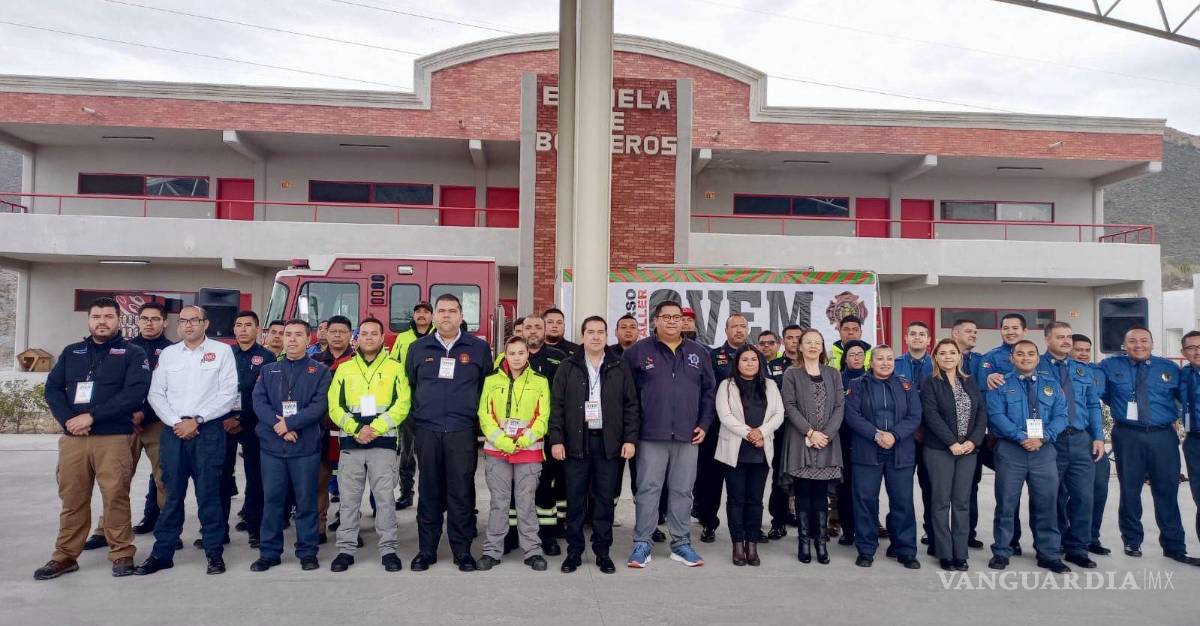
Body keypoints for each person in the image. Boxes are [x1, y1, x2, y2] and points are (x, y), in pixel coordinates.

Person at [35, 297, 151, 580]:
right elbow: (52, 390)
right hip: (74, 439)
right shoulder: (72, 351)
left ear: (118, 320)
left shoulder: (132, 353)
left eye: (108, 316)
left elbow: (134, 393)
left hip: (112, 438)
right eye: (96, 316)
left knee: (115, 496)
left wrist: (92, 417)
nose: (102, 321)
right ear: (89, 320)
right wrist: (69, 421)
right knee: (72, 498)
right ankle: (64, 556)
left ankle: (122, 552)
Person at [136, 305, 238, 576]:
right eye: (183, 321)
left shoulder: (222, 352)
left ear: (206, 323)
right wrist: (176, 422)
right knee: (171, 496)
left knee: (209, 495)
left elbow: (228, 393)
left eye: (194, 320)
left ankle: (214, 553)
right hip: (174, 432)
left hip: (209, 432)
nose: (188, 325)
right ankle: (163, 553)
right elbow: (156, 394)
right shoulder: (169, 355)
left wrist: (198, 419)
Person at [624, 300, 715, 569]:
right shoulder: (638, 352)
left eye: (677, 317)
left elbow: (709, 392)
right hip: (651, 434)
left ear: (685, 322)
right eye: (666, 317)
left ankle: (681, 544)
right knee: (648, 489)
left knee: (682, 491)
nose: (672, 321)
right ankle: (642, 543)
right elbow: (626, 395)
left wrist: (705, 423)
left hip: (688, 435)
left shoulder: (699, 353)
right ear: (655, 320)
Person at [406, 293, 493, 572]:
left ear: (461, 316)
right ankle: (427, 551)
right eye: (441, 311)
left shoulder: (478, 349)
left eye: (452, 311)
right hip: (427, 431)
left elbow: (485, 388)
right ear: (433, 316)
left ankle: (462, 552)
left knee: (461, 493)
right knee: (428, 491)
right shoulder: (418, 348)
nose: (446, 315)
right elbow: (411, 385)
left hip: (461, 431)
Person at [1100, 327, 1199, 565]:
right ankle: (1132, 540)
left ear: (1153, 344)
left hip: (1163, 436)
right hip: (1128, 435)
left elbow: (1185, 397)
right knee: (1130, 490)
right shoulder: (1110, 366)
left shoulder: (1169, 368)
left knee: (1167, 491)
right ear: (1125, 345)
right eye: (1132, 341)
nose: (1139, 345)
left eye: (1144, 340)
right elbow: (1102, 393)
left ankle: (1174, 546)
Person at [549, 316, 640, 574]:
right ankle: (574, 552)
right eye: (591, 332)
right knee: (575, 501)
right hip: (576, 442)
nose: (596, 337)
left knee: (604, 500)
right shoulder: (568, 366)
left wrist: (630, 439)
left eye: (601, 332)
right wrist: (556, 439)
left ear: (606, 335)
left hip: (608, 443)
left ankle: (603, 552)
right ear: (582, 336)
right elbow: (557, 407)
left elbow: (631, 406)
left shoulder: (619, 366)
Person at [84, 301, 172, 549]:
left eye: (155, 319)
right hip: (122, 424)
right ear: (137, 321)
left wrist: (144, 413)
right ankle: (105, 530)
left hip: (157, 423)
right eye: (144, 318)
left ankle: (168, 530)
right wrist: (126, 414)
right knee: (116, 480)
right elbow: (115, 388)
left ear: (164, 322)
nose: (149, 323)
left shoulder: (173, 351)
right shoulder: (123, 349)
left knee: (164, 479)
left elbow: (170, 391)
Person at [248, 319, 331, 572]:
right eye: (287, 334)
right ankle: (269, 552)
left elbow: (318, 406)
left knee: (306, 501)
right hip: (273, 446)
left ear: (309, 339)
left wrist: (292, 424)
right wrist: (279, 426)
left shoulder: (320, 371)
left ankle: (307, 551)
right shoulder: (268, 370)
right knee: (272, 500)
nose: (292, 339)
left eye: (298, 335)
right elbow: (259, 402)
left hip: (305, 447)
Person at [326, 317, 408, 573]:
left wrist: (376, 428)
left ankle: (388, 550)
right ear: (357, 338)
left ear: (383, 338)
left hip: (382, 445)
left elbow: (403, 403)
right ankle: (346, 550)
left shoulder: (395, 368)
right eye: (365, 333)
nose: (369, 337)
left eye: (374, 333)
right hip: (351, 444)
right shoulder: (344, 369)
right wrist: (356, 428)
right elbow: (334, 406)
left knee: (384, 500)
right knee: (349, 501)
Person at [985, 340, 1071, 573]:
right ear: (1012, 358)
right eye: (1020, 354)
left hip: (1043, 451)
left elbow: (1061, 416)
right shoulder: (1000, 385)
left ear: (1037, 357)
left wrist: (1043, 437)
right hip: (1011, 450)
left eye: (1031, 354)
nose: (1025, 358)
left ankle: (1048, 553)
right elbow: (996, 416)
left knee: (1046, 503)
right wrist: (1021, 436)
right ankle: (1002, 551)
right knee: (1006, 503)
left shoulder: (1052, 386)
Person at [843, 345, 922, 569]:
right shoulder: (858, 385)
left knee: (902, 501)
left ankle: (904, 549)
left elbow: (915, 415)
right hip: (867, 451)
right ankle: (866, 549)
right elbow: (852, 414)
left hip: (900, 451)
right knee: (866, 501)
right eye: (880, 359)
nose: (885, 363)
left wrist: (894, 435)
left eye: (889, 359)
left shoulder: (906, 385)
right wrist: (876, 434)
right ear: (872, 362)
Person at [477, 336, 551, 572]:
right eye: (512, 353)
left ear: (528, 354)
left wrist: (523, 439)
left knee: (526, 503)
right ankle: (492, 551)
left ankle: (532, 551)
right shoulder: (491, 380)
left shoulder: (540, 381)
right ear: (504, 355)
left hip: (528, 451)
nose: (517, 357)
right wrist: (502, 440)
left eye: (521, 352)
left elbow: (543, 417)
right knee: (499, 503)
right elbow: (484, 414)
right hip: (498, 450)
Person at [1037, 321, 1104, 569]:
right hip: (1050, 441)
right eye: (1060, 337)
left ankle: (1077, 548)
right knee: (1049, 497)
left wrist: (1098, 436)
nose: (1066, 341)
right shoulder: (1036, 364)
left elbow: (1093, 405)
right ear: (1047, 339)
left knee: (1083, 497)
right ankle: (1049, 549)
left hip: (1079, 439)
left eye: (1068, 337)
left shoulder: (1082, 370)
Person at [715, 344, 785, 567]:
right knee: (736, 499)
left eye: (754, 359)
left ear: (760, 362)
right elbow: (724, 415)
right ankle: (737, 544)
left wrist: (762, 433)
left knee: (755, 500)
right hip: (736, 450)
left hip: (761, 451)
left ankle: (752, 544)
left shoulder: (771, 385)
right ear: (737, 363)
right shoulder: (726, 385)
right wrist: (749, 433)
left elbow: (779, 414)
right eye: (745, 359)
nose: (750, 363)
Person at [920, 339, 986, 571]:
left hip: (969, 451)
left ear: (959, 356)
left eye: (952, 352)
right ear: (935, 357)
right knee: (940, 502)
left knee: (962, 503)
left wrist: (972, 441)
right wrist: (951, 442)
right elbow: (931, 415)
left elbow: (981, 414)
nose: (948, 356)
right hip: (940, 450)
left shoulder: (969, 381)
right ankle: (944, 552)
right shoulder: (930, 383)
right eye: (943, 353)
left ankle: (960, 552)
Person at [780, 328, 844, 565]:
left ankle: (821, 542)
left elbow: (839, 406)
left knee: (821, 494)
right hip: (800, 440)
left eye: (817, 342)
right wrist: (810, 432)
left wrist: (825, 434)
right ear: (800, 346)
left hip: (827, 441)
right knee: (803, 492)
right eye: (808, 342)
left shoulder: (833, 373)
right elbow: (790, 405)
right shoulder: (791, 373)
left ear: (822, 346)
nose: (813, 346)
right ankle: (804, 541)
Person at [219, 310, 275, 550]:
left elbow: (266, 394)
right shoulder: (223, 355)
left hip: (253, 424)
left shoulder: (267, 357)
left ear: (257, 329)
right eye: (239, 325)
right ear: (234, 329)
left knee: (256, 478)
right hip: (222, 421)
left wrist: (242, 419)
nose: (243, 329)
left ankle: (255, 528)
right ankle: (218, 530)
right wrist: (225, 417)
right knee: (220, 477)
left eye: (248, 325)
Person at [978, 312, 1030, 556]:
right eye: (1006, 328)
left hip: (1038, 440)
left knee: (1045, 496)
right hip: (1006, 438)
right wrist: (988, 378)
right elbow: (983, 390)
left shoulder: (1034, 358)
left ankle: (1048, 544)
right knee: (1009, 496)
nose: (1010, 332)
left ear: (1024, 331)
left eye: (1015, 328)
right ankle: (1010, 540)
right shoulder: (990, 359)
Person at [697, 313, 752, 543]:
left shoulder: (754, 356)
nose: (739, 330)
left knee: (745, 482)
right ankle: (709, 523)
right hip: (717, 430)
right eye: (734, 326)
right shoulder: (713, 356)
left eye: (743, 326)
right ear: (726, 331)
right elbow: (705, 390)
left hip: (747, 430)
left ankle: (749, 527)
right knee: (711, 480)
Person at [522, 314, 569, 554]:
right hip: (518, 437)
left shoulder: (559, 358)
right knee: (517, 487)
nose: (533, 331)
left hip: (548, 434)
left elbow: (564, 399)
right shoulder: (510, 357)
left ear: (544, 331)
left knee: (545, 486)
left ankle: (547, 534)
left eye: (537, 327)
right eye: (528, 327)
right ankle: (513, 534)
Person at [893, 321, 934, 550]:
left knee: (932, 489)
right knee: (901, 491)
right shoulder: (895, 364)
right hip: (904, 438)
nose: (917, 338)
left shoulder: (938, 364)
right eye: (913, 334)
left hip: (932, 437)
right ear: (906, 339)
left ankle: (932, 533)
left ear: (929, 340)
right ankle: (901, 537)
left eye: (922, 335)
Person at [313, 316, 354, 542]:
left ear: (350, 335)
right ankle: (319, 526)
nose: (337, 335)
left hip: (349, 430)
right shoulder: (314, 361)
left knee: (350, 483)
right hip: (320, 431)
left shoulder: (357, 361)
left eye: (342, 331)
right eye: (333, 331)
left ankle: (349, 527)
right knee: (320, 480)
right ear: (325, 334)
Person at [390, 302, 433, 511]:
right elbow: (394, 367)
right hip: (408, 402)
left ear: (432, 316)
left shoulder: (438, 337)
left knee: (429, 453)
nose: (422, 315)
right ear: (414, 316)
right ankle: (406, 493)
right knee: (407, 451)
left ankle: (430, 495)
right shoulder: (403, 338)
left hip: (431, 403)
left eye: (426, 312)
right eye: (418, 312)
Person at [1071, 333, 1112, 556]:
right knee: (1065, 492)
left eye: (1087, 349)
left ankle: (1091, 537)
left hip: (1092, 437)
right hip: (1065, 437)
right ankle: (1065, 538)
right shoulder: (1056, 370)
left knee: (1098, 488)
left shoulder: (1098, 372)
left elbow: (1102, 401)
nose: (1083, 353)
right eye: (1078, 349)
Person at [951, 318, 986, 550]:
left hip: (974, 436)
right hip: (944, 438)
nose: (973, 334)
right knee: (938, 489)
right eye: (968, 331)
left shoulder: (984, 362)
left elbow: (984, 402)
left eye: (975, 331)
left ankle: (967, 533)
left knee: (970, 486)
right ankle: (935, 533)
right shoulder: (939, 358)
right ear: (954, 333)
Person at [765, 324, 803, 540]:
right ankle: (777, 521)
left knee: (804, 477)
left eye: (799, 337)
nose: (794, 341)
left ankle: (803, 520)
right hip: (780, 429)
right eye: (790, 338)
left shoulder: (811, 366)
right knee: (780, 477)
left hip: (803, 431)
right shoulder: (773, 366)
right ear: (783, 341)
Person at [834, 339, 871, 547]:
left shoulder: (873, 379)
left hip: (867, 442)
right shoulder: (837, 379)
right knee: (845, 490)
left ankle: (866, 530)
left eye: (860, 354)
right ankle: (848, 531)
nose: (856, 358)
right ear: (845, 358)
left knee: (866, 490)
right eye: (851, 355)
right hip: (843, 442)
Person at [1179, 331, 1200, 550]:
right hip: (1194, 441)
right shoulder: (1182, 375)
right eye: (1191, 348)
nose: (1197, 351)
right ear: (1183, 352)